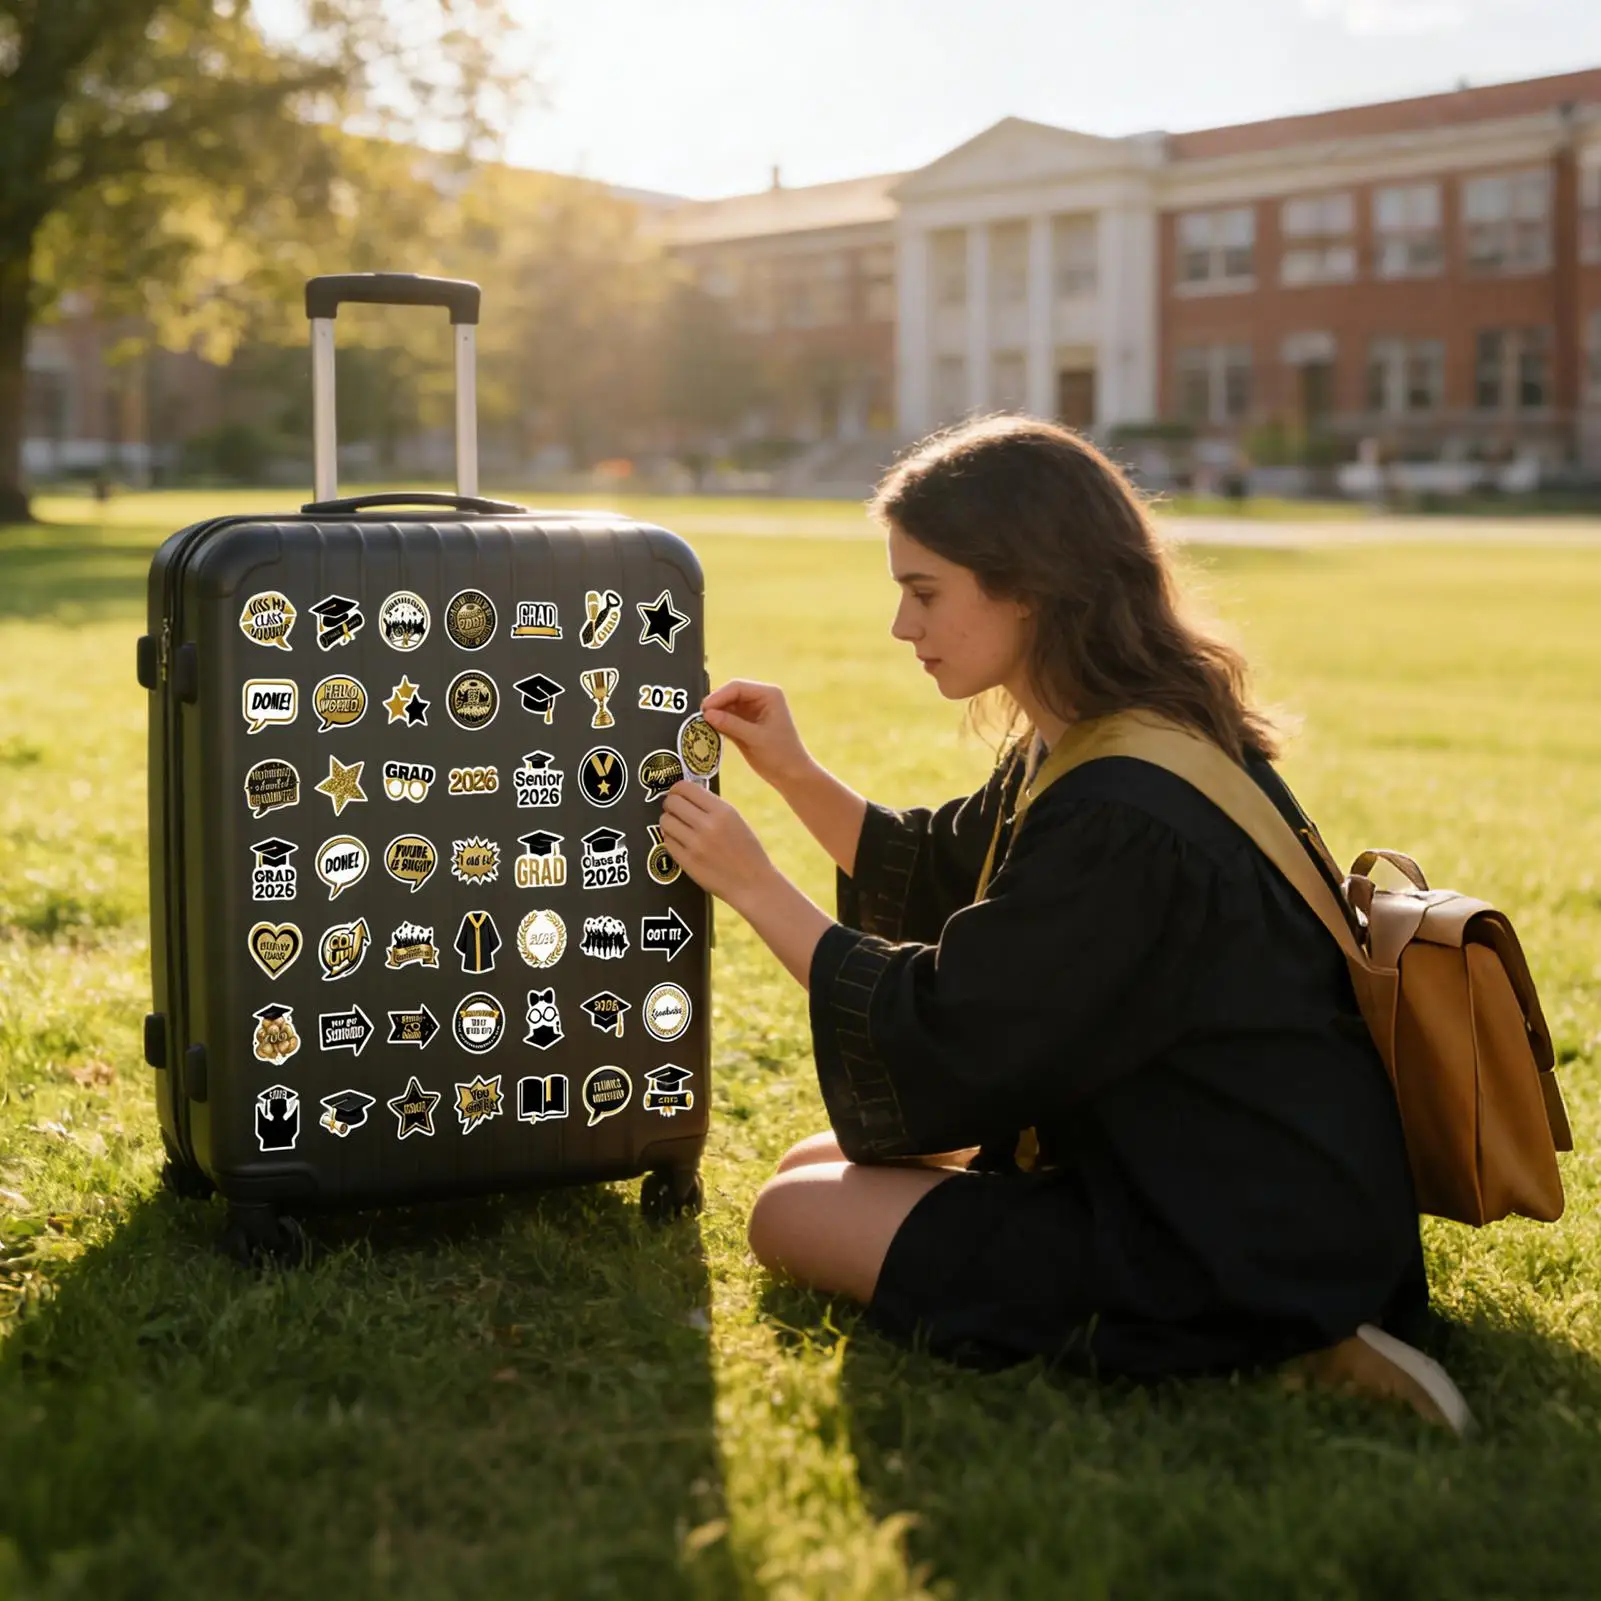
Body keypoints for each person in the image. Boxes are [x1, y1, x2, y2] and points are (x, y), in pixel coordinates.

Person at [658, 415, 1470, 1432]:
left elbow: (955, 1022)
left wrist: (751, 881)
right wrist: (792, 772)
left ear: (1028, 586)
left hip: (1230, 1231)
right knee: (809, 1168)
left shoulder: (1118, 808)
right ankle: (1281, 1318)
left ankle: (1281, 1340)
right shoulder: (1100, 737)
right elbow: (951, 872)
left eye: (922, 593)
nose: (902, 628)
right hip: (1229, 1170)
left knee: (789, 1212)